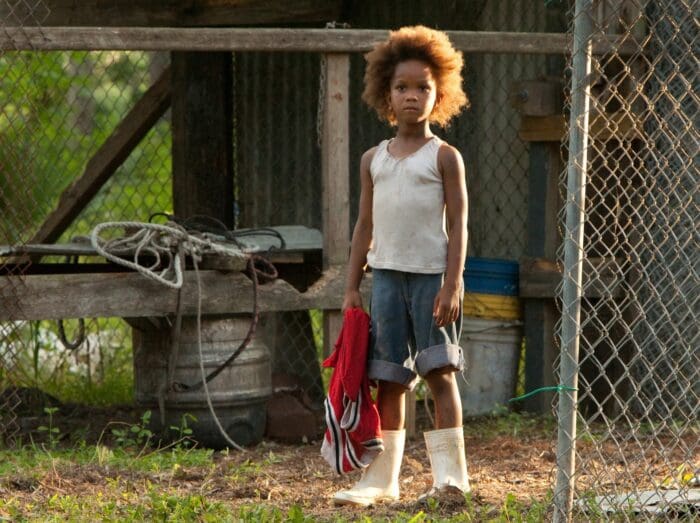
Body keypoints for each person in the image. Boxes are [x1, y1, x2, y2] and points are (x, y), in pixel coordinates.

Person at [332, 25, 470, 507]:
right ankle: (382, 480)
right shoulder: (374, 159)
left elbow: (460, 224)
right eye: (402, 87)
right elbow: (364, 226)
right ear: (385, 94)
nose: (412, 96)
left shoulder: (445, 158)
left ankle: (451, 479)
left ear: (440, 94)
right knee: (389, 378)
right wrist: (352, 286)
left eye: (422, 88)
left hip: (431, 280)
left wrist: (452, 284)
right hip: (386, 280)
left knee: (439, 373)